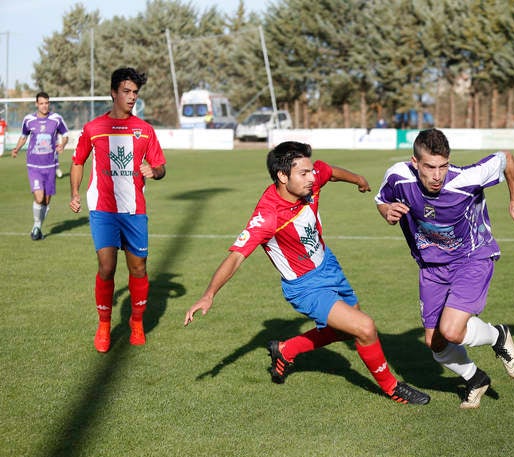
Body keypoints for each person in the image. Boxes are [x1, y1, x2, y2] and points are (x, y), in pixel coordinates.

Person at [184, 141, 430, 406]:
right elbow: (235, 257)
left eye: (310, 171)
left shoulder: (309, 180)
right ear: (282, 176)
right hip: (305, 286)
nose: (312, 177)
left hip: (328, 266)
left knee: (348, 330)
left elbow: (329, 171)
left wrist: (358, 179)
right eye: (303, 173)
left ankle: (286, 350)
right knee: (365, 327)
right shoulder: (268, 216)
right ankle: (393, 388)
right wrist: (208, 295)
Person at [375, 128, 514, 408]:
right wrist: (387, 212)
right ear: (415, 163)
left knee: (453, 331)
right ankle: (475, 378)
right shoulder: (398, 176)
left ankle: (498, 336)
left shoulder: (467, 179)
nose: (437, 175)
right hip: (431, 268)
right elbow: (382, 200)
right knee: (436, 343)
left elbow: (505, 157)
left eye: (443, 166)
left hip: (472, 258)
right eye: (430, 167)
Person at [69, 68, 167, 352]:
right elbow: (78, 161)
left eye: (135, 92)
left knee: (138, 268)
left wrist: (154, 171)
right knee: (107, 266)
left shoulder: (145, 130)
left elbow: (161, 168)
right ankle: (104, 326)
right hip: (103, 209)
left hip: (134, 210)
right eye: (126, 91)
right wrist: (75, 192)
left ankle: (136, 322)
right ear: (113, 93)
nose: (132, 97)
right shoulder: (94, 128)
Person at [10, 92, 69, 240]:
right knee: (39, 197)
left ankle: (37, 228)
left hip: (50, 165)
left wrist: (62, 144)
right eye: (41, 103)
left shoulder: (56, 119)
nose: (44, 106)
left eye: (47, 103)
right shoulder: (29, 120)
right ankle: (36, 225)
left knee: (46, 201)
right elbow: (23, 136)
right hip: (34, 165)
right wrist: (17, 148)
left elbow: (66, 134)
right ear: (36, 104)